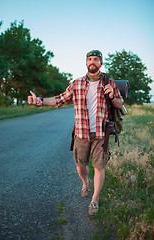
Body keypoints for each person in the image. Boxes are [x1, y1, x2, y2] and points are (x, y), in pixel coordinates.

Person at [28, 50, 123, 215]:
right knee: (80, 166)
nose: (92, 61)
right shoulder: (77, 83)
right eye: (90, 59)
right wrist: (39, 101)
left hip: (101, 134)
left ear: (101, 63)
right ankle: (86, 183)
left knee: (99, 167)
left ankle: (94, 201)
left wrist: (112, 95)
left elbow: (119, 104)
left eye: (96, 59)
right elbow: (60, 99)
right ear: (86, 63)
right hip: (81, 133)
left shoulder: (109, 83)